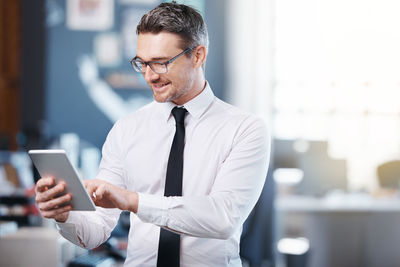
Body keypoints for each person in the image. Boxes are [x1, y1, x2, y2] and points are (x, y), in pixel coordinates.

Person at [35, 2, 270, 266]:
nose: (149, 76)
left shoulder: (244, 129)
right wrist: (65, 214)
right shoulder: (127, 129)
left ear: (198, 56)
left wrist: (134, 201)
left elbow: (223, 218)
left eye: (160, 63)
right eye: (142, 63)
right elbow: (95, 232)